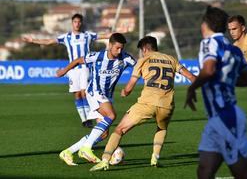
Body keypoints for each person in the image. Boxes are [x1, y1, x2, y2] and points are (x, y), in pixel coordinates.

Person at [184, 6, 247, 179]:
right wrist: (226, 78)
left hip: (225, 117)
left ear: (206, 24)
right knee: (204, 172)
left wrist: (192, 88)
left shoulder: (209, 42)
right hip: (221, 117)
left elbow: (208, 69)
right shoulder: (234, 49)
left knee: (242, 174)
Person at [89, 36, 196, 171]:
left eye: (141, 50)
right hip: (166, 105)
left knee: (119, 129)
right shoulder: (171, 59)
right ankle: (155, 157)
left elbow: (129, 88)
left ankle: (104, 160)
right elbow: (191, 77)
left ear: (145, 48)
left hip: (147, 103)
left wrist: (124, 92)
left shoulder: (143, 60)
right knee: (161, 128)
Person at [56, 33, 136, 166]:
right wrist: (64, 71)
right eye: (117, 48)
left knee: (103, 134)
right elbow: (78, 60)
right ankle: (86, 148)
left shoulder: (126, 58)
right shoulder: (98, 56)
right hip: (94, 92)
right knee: (111, 115)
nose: (120, 51)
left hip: (107, 97)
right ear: (110, 45)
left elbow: (139, 67)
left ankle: (68, 152)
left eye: (122, 48)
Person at [23, 13, 110, 128]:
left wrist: (122, 32)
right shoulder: (66, 37)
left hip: (85, 68)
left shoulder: (87, 35)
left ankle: (89, 118)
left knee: (85, 93)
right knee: (77, 95)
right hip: (72, 69)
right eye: (75, 22)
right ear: (72, 23)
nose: (77, 24)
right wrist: (33, 40)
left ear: (81, 23)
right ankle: (84, 120)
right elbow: (49, 42)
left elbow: (105, 35)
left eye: (79, 22)